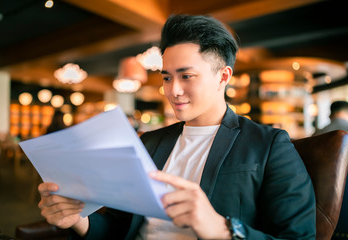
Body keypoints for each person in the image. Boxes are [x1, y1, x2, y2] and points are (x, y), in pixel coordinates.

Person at [38, 14, 316, 240]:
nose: (173, 91)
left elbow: (299, 237)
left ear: (223, 77)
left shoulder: (268, 144)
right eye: (167, 78)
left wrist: (222, 229)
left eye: (187, 76)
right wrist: (78, 221)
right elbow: (122, 226)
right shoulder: (149, 142)